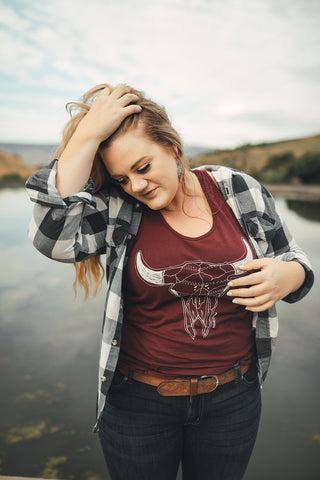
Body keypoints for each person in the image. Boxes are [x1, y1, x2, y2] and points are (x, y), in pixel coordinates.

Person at [26, 84, 314, 480]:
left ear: (173, 149)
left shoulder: (237, 189)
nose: (137, 186)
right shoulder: (117, 207)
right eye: (123, 178)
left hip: (233, 396)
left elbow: (293, 257)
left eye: (143, 168)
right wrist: (88, 133)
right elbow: (52, 240)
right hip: (137, 403)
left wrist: (288, 276)